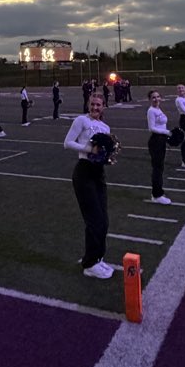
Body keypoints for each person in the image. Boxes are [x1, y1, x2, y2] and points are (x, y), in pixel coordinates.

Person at [64, 93, 115, 279]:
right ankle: (89, 264)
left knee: (103, 220)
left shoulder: (105, 127)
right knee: (94, 219)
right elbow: (67, 143)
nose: (95, 107)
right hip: (84, 172)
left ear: (103, 107)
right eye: (92, 104)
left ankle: (97, 257)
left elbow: (103, 151)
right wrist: (89, 149)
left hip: (98, 173)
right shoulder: (81, 120)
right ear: (88, 105)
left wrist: (107, 157)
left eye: (99, 105)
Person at [146, 91, 172, 204]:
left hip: (161, 140)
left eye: (157, 97)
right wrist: (167, 132)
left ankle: (157, 192)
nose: (156, 99)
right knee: (157, 168)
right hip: (156, 140)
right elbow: (151, 128)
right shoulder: (151, 111)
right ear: (150, 99)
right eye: (153, 98)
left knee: (160, 168)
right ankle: (157, 195)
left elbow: (161, 125)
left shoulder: (158, 109)